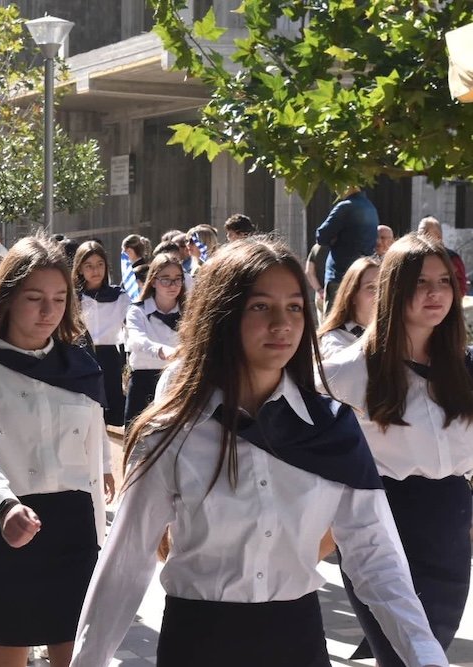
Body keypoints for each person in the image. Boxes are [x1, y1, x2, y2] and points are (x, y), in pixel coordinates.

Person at [70, 237, 448, 667]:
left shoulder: (334, 429)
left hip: (297, 642)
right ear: (223, 316)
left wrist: (425, 656)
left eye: (294, 307)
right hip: (198, 643)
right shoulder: (171, 432)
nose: (281, 324)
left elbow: (377, 560)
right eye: (260, 306)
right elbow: (125, 563)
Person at [0, 236, 115, 667]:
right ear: (7, 298)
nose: (47, 310)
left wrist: (103, 537)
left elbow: (94, 453)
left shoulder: (83, 368)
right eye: (34, 298)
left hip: (75, 534)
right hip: (8, 526)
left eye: (58, 299)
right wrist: (2, 505)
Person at [322, 233, 473, 666]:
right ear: (394, 289)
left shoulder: (463, 367)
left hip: (450, 522)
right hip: (382, 527)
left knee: (432, 648)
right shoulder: (351, 369)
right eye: (421, 282)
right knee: (404, 654)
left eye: (444, 281)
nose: (435, 293)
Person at [72, 241, 131, 427]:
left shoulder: (119, 296)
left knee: (108, 415)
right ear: (80, 269)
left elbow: (130, 326)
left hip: (110, 358)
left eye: (100, 264)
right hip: (82, 357)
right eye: (88, 266)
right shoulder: (73, 297)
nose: (95, 270)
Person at [123, 253, 185, 425]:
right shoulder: (138, 310)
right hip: (144, 380)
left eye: (177, 279)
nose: (172, 285)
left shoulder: (189, 313)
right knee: (137, 436)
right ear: (153, 281)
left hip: (176, 381)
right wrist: (161, 351)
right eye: (165, 279)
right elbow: (136, 340)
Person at [315, 187, 379, 314]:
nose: (336, 190)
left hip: (338, 275)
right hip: (362, 275)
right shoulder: (371, 208)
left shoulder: (345, 207)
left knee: (332, 322)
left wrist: (335, 238)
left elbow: (321, 236)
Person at [316, 256, 379, 360]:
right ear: (352, 295)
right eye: (371, 287)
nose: (380, 294)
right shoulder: (334, 339)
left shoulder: (396, 335)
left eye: (384, 287)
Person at [417, 216, 468, 295]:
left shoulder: (452, 258)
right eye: (419, 233)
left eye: (426, 233)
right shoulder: (413, 258)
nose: (421, 237)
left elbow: (461, 288)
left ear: (438, 237)